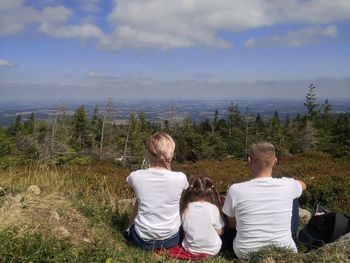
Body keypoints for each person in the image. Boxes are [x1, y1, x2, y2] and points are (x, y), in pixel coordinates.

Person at [222, 142, 306, 259]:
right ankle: (291, 237)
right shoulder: (288, 185)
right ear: (275, 161)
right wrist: (290, 181)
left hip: (246, 253)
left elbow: (231, 224)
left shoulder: (235, 190)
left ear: (249, 160)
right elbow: (303, 185)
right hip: (285, 250)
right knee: (294, 196)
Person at [126, 132, 189, 251]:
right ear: (171, 154)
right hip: (172, 239)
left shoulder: (136, 176)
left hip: (141, 239)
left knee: (140, 200)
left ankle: (128, 229)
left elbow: (129, 180)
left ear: (148, 153)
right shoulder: (180, 178)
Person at [180, 176, 225, 256]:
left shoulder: (185, 208)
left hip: (191, 250)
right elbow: (219, 231)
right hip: (213, 250)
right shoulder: (213, 208)